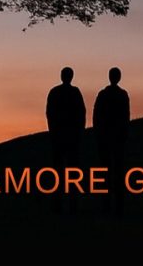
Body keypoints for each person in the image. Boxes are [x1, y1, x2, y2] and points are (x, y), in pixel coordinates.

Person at [46, 66, 86, 212]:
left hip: (59, 137)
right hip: (71, 138)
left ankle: (59, 203)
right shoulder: (75, 93)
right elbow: (82, 115)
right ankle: (72, 203)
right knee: (72, 171)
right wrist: (79, 133)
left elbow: (49, 114)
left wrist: (54, 132)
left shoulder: (55, 92)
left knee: (58, 170)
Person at [93, 66, 130, 214]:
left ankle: (107, 204)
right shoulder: (122, 95)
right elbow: (126, 117)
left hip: (106, 138)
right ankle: (117, 206)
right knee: (117, 172)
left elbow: (96, 116)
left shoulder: (103, 94)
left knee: (107, 172)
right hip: (117, 138)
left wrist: (98, 133)